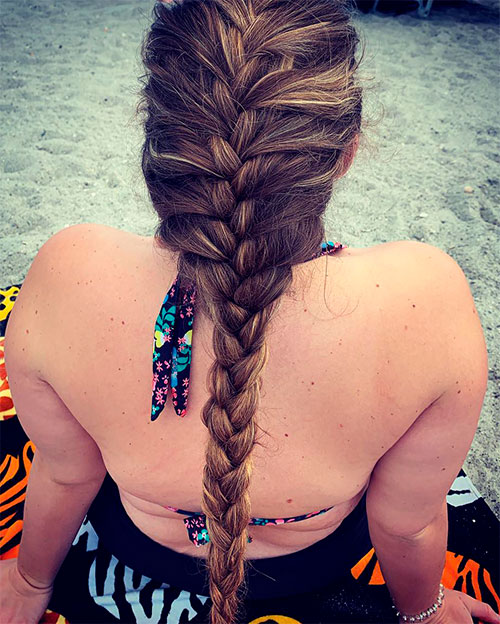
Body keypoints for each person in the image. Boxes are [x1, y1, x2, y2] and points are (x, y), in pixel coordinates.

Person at [1, 0, 499, 623]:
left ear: (158, 147)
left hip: (142, 545)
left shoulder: (65, 271)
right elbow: (404, 526)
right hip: (314, 560)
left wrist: (27, 582)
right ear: (344, 152)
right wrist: (423, 611)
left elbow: (69, 475)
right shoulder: (428, 300)